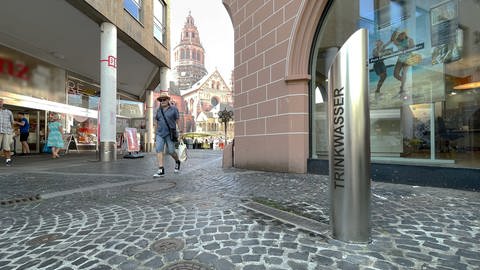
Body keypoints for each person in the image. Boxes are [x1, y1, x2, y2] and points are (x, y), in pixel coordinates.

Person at [153, 92, 181, 177]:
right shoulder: (158, 110)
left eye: (164, 99)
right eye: (161, 100)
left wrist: (179, 132)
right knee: (158, 149)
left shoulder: (174, 109)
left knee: (171, 151)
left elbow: (177, 120)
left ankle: (177, 161)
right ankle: (161, 169)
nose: (162, 101)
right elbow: (156, 121)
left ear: (168, 100)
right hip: (160, 133)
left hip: (170, 133)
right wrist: (155, 133)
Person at [391, 30, 414, 95]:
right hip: (400, 59)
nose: (399, 36)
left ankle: (402, 88)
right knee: (395, 74)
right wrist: (395, 32)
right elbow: (392, 39)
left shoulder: (409, 39)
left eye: (400, 35)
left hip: (407, 58)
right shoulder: (398, 42)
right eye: (398, 35)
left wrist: (408, 47)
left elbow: (413, 47)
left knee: (404, 73)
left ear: (404, 35)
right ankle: (404, 82)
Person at [0, 98, 14, 166]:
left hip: (6, 132)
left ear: (3, 103)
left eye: (1, 102)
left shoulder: (9, 112)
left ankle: (8, 160)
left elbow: (12, 122)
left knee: (6, 147)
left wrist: (11, 132)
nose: (0, 103)